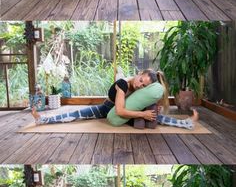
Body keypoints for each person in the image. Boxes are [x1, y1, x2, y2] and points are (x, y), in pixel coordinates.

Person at [31, 68, 199, 130]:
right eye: (141, 80)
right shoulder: (123, 84)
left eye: (144, 85)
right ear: (139, 73)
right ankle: (44, 120)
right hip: (108, 109)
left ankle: (186, 123)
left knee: (157, 117)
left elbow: (140, 103)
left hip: (126, 113)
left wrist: (153, 109)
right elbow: (119, 110)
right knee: (77, 113)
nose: (140, 85)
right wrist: (142, 115)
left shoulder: (141, 92)